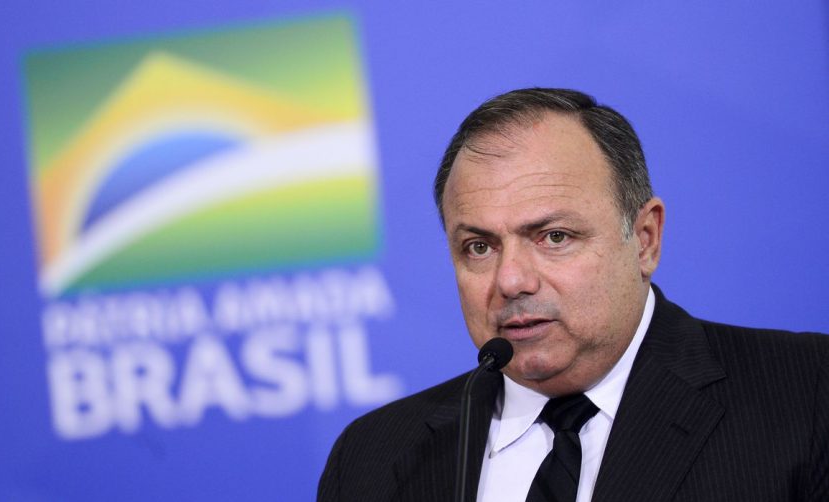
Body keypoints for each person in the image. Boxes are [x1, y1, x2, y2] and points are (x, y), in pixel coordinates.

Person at [317, 88, 829, 501]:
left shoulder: (807, 394)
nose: (511, 280)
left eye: (554, 237)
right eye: (478, 247)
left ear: (644, 239)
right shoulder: (373, 458)